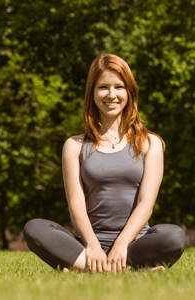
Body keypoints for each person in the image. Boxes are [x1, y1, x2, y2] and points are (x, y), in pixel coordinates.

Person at [23, 54, 186, 273]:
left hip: (135, 245)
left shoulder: (150, 143)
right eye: (103, 87)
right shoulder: (74, 146)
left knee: (174, 236)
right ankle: (123, 270)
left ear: (130, 92)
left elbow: (146, 203)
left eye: (119, 87)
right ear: (92, 93)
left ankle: (89, 269)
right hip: (88, 246)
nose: (111, 95)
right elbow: (76, 205)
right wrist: (92, 245)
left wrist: (122, 244)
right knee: (34, 228)